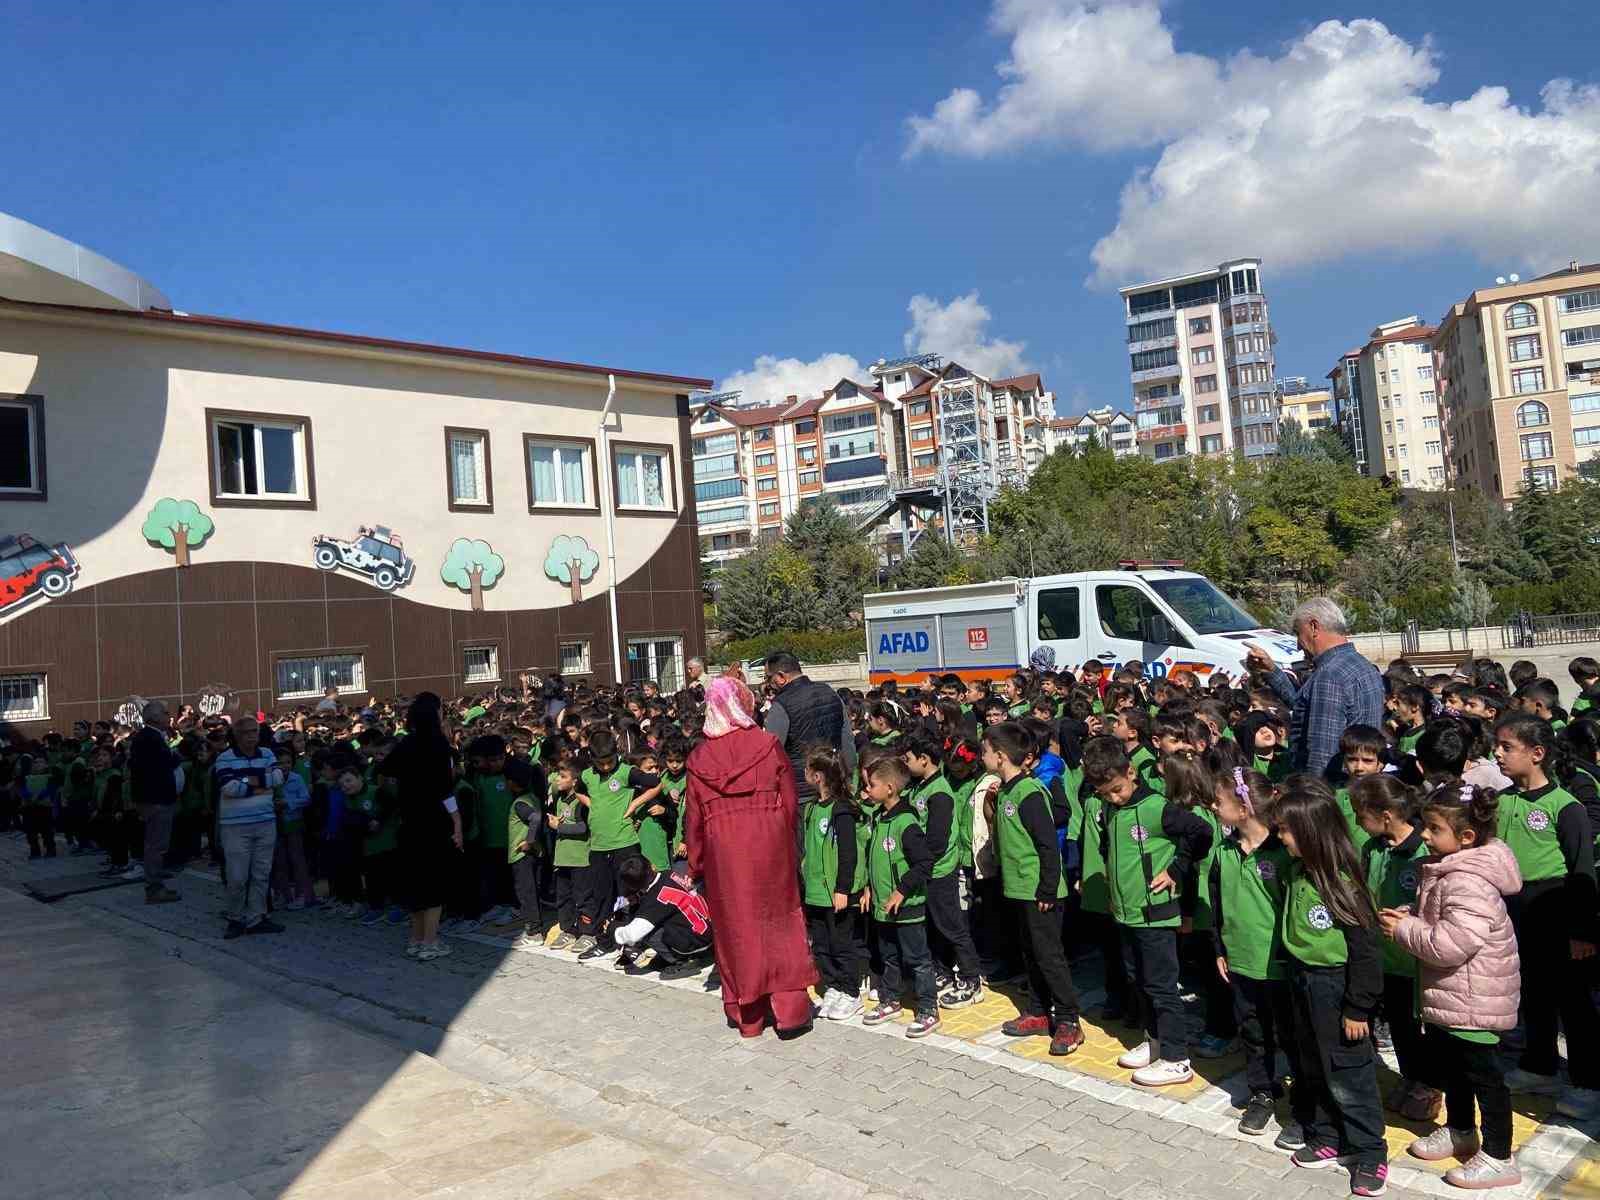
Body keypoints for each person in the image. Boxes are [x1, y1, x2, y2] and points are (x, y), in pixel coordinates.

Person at [1383, 782, 1524, 1191]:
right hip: (1453, 996)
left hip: (1474, 998)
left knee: (1485, 1078)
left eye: (1434, 828)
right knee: (1453, 1068)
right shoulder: (1448, 868)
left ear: (1466, 837)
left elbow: (1451, 944)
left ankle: (1499, 1156)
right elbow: (1443, 919)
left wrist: (1404, 930)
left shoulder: (1468, 880)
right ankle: (1461, 1130)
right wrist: (1411, 915)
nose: (1424, 834)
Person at [684, 674, 817, 1038]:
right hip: (770, 842)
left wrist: (696, 862)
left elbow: (693, 818)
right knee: (781, 922)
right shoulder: (767, 744)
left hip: (724, 852)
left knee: (736, 928)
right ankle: (790, 1012)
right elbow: (790, 801)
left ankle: (750, 1018)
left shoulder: (699, 758)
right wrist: (788, 843)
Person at [1274, 779, 1387, 1198]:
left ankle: (1370, 1151)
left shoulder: (1342, 883)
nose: (1280, 837)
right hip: (1302, 979)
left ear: (1310, 833)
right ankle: (1328, 1135)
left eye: (1285, 830)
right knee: (1312, 1065)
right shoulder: (1295, 872)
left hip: (1335, 988)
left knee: (1348, 1072)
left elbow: (1366, 951)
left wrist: (1358, 1007)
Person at [1081, 735, 1213, 1087]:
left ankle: (1176, 1058)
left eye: (1117, 789)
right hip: (1126, 912)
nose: (1113, 797)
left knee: (1161, 987)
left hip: (1156, 913)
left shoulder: (1157, 808)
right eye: (1105, 793)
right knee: (1137, 981)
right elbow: (1111, 849)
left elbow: (1201, 833)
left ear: (1131, 772)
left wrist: (1175, 870)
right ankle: (1154, 1041)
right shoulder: (1110, 808)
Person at [1490, 713, 1598, 1116]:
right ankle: (1540, 1065)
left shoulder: (1565, 807)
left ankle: (1589, 1082)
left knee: (1573, 1001)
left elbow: (1582, 871)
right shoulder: (1502, 801)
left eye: (1507, 747)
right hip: (1516, 911)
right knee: (1532, 993)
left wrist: (1582, 932)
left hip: (1556, 908)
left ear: (1537, 754)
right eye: (1497, 746)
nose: (1497, 754)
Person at [1209, 767, 1301, 1140]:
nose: (1213, 807)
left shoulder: (1283, 852)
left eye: (1219, 801)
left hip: (1280, 963)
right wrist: (1219, 948)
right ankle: (1263, 1091)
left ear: (1244, 809)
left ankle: (1304, 1103)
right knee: (1252, 1030)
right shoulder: (1223, 851)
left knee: (1291, 1035)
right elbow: (1216, 904)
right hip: (1241, 960)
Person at [988, 722, 1085, 1057]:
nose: (983, 756)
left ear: (1001, 756)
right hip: (1018, 888)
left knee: (1050, 957)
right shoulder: (1006, 790)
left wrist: (1047, 889)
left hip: (1039, 891)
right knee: (1031, 953)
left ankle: (1069, 1020)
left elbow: (1046, 844)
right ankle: (1038, 1011)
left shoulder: (1029, 792)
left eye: (986, 751)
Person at [1350, 773, 1438, 1121]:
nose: (1358, 822)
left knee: (1418, 1030)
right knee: (1399, 1028)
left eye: (1361, 815)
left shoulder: (1422, 851)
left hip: (1413, 962)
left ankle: (1429, 1086)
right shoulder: (1372, 848)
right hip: (1381, 957)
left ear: (1385, 816)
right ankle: (1410, 1077)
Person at [1246, 598, 1385, 779]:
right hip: (1359, 785)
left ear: (1313, 627)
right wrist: (1271, 671)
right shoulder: (1362, 665)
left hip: (1332, 788)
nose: (1298, 645)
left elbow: (1321, 755)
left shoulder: (1330, 675)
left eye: (1298, 633)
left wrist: (1311, 793)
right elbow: (1306, 707)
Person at [377, 693, 463, 961]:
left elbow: (384, 770)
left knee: (414, 881)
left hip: (408, 822)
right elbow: (445, 789)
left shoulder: (406, 744)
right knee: (434, 883)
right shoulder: (439, 745)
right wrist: (457, 822)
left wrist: (400, 794)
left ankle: (415, 939)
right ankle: (430, 942)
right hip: (434, 822)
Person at [800, 745, 867, 1022]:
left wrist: (843, 889)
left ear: (817, 776)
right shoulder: (811, 808)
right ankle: (833, 987)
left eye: (807, 769)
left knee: (842, 944)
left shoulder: (842, 810)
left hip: (836, 893)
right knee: (822, 945)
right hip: (815, 892)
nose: (804, 772)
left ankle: (851, 992)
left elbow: (848, 854)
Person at [214, 716, 284, 940]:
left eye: (255, 731)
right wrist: (262, 784)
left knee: (261, 874)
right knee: (237, 876)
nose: (252, 736)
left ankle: (256, 918)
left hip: (265, 822)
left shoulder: (268, 753)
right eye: (247, 732)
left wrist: (245, 780)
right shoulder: (224, 758)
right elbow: (228, 787)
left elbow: (278, 777)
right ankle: (235, 918)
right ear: (237, 735)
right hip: (236, 826)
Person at [763, 650, 856, 804]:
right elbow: (847, 739)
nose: (767, 684)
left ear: (780, 677)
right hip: (834, 785)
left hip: (801, 792)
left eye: (768, 678)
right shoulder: (830, 692)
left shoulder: (781, 705)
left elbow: (771, 753)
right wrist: (848, 776)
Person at [613, 854, 713, 978]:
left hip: (695, 943)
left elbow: (633, 934)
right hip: (707, 932)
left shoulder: (654, 899)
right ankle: (678, 954)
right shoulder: (671, 874)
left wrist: (615, 931)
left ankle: (682, 960)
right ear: (653, 866)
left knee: (647, 929)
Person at [127, 699, 183, 904]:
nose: (169, 716)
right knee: (156, 845)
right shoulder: (149, 738)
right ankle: (154, 887)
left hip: (155, 798)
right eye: (165, 713)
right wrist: (176, 756)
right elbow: (165, 762)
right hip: (156, 800)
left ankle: (155, 880)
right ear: (154, 717)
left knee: (156, 844)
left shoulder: (150, 736)